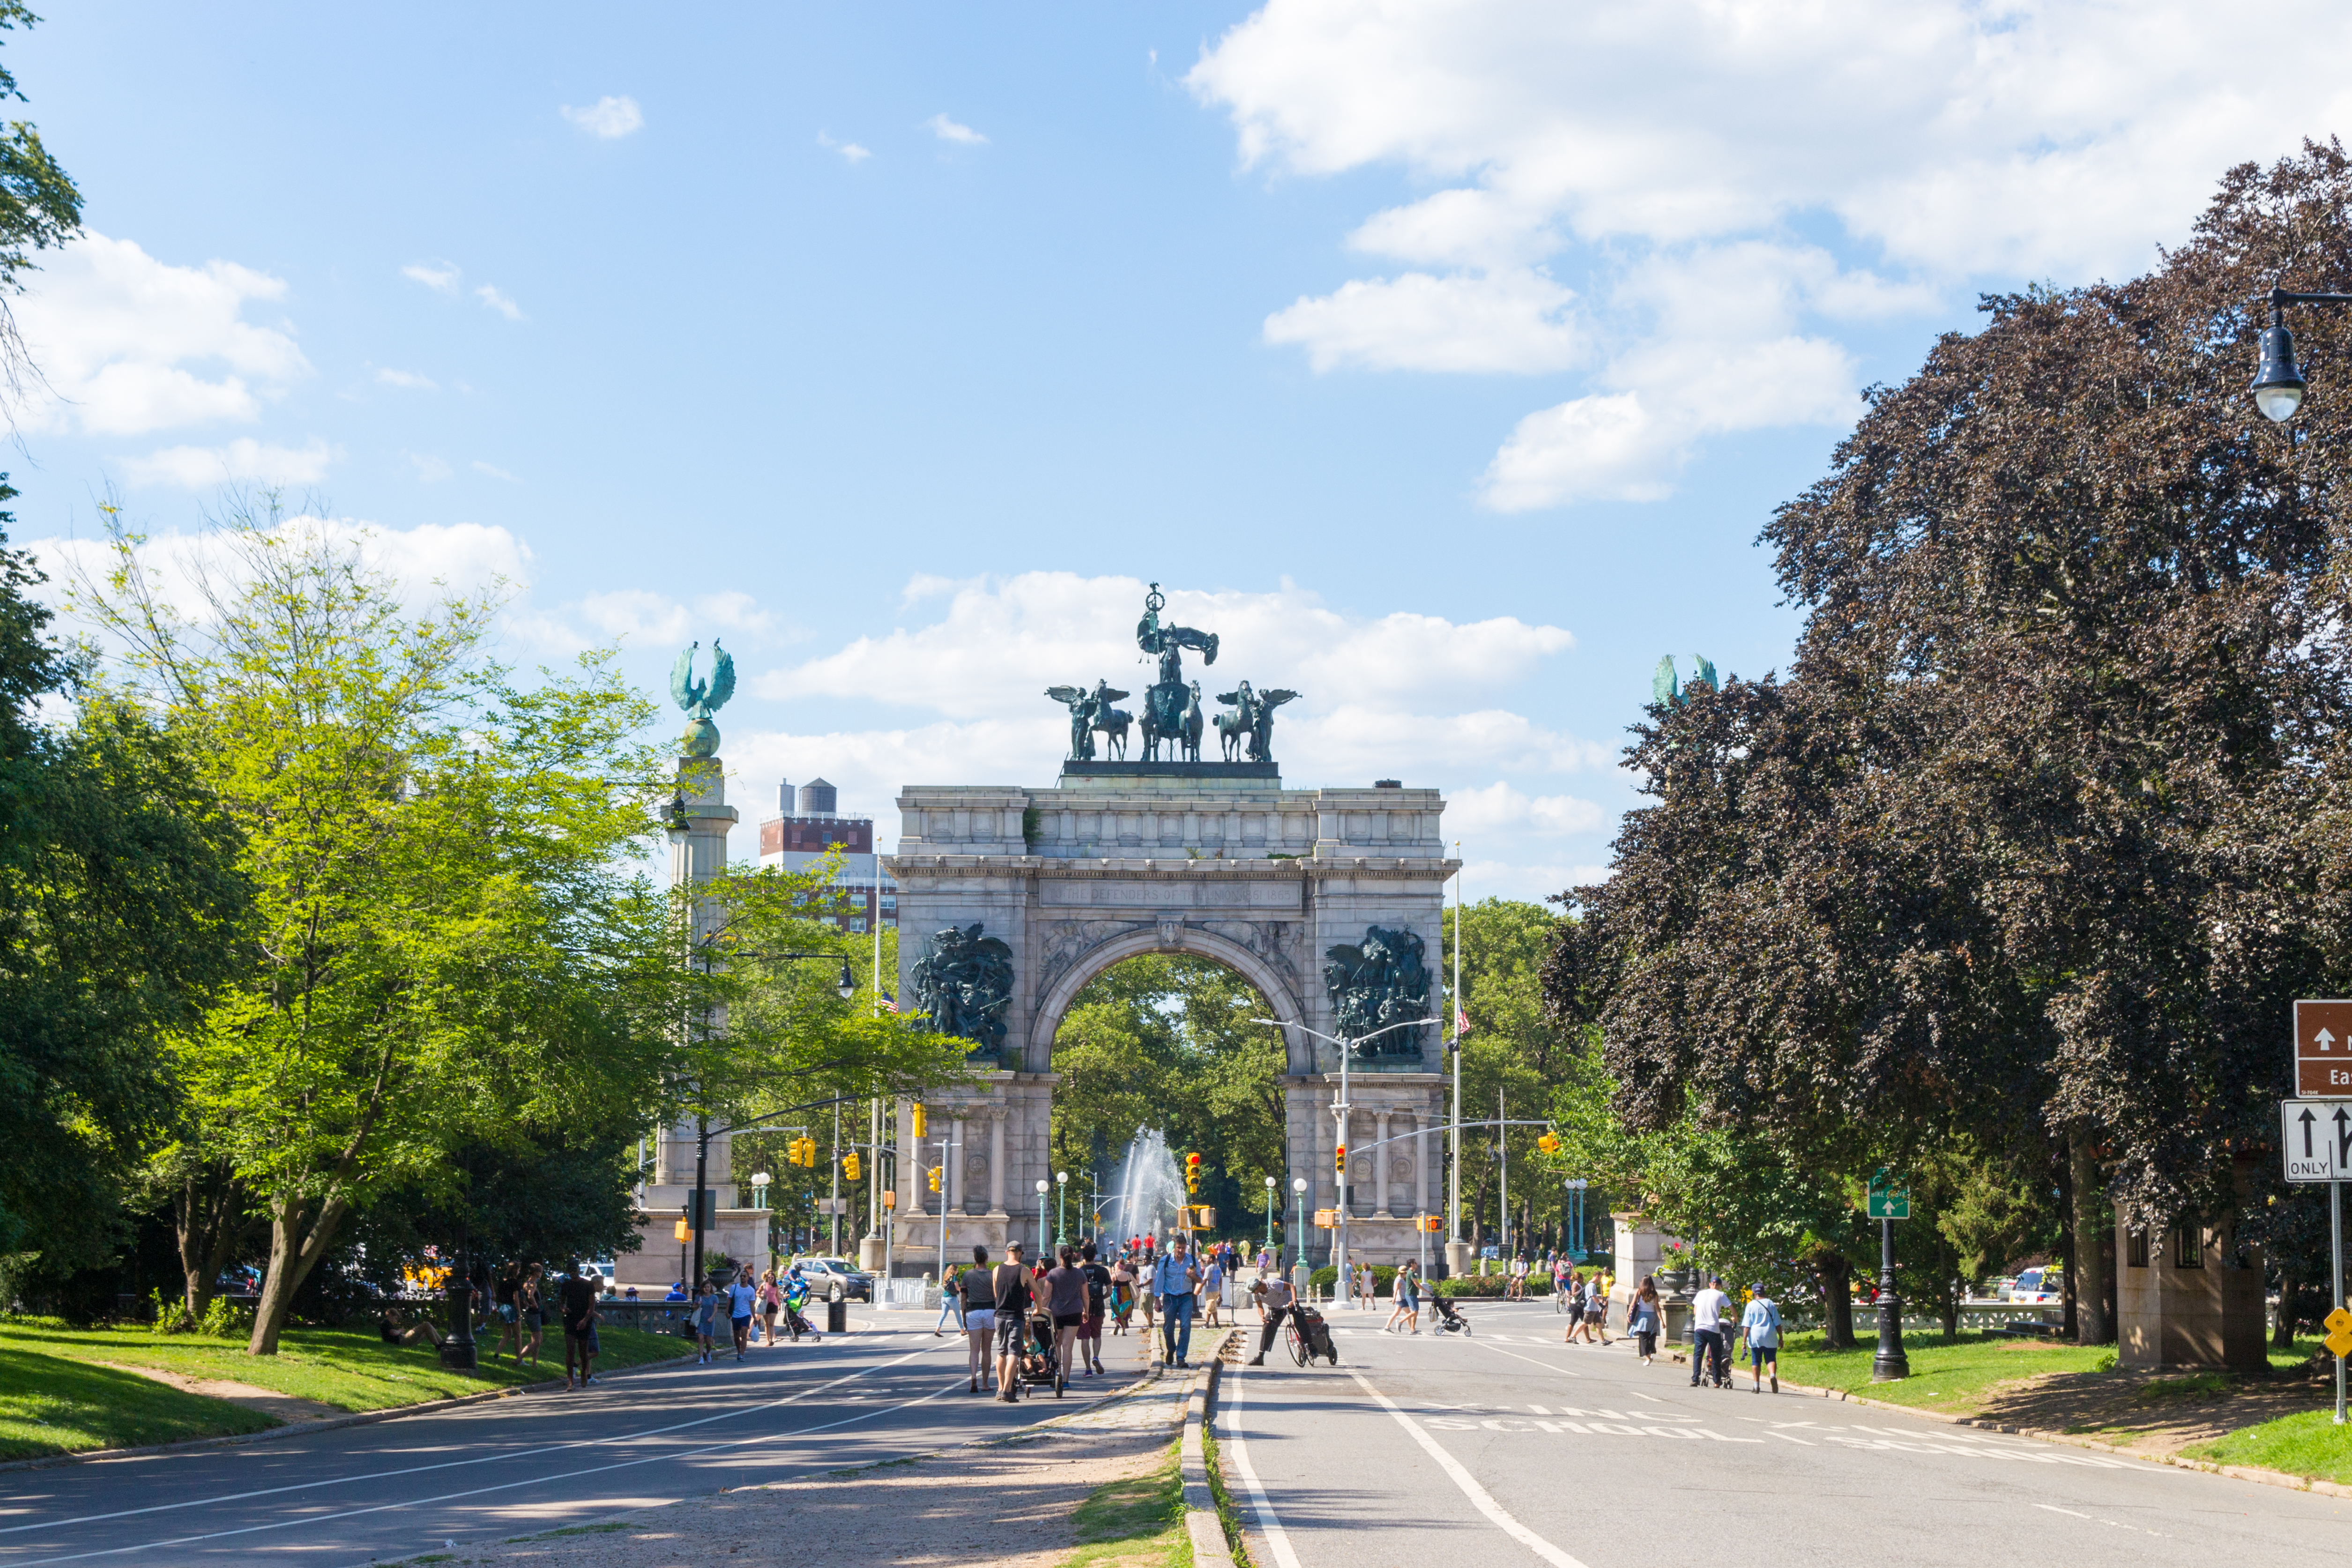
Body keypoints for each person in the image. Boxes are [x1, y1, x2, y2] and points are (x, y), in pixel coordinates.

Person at [992, 1241, 1035, 1402]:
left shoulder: (997, 1269)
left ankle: (999, 1388)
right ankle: (1007, 1390)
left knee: (1001, 1351)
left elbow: (996, 1293)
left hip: (999, 1316)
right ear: (1021, 1253)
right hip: (1016, 1316)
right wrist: (1038, 1307)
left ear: (1006, 1252)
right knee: (1014, 1353)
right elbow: (1036, 1292)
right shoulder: (1024, 1271)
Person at [1152, 1234, 1201, 1367]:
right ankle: (1171, 1349)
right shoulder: (1166, 1260)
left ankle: (1181, 1358)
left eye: (1183, 1248)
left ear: (1186, 1248)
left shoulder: (1192, 1260)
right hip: (1170, 1298)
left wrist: (1194, 1276)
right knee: (1168, 1329)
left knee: (1186, 1327)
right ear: (1174, 1248)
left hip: (1186, 1297)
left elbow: (1200, 1280)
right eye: (1179, 1248)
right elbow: (1159, 1280)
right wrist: (1157, 1300)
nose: (1181, 1251)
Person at [1045, 1244, 1088, 1382]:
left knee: (1057, 1345)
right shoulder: (1080, 1273)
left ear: (1060, 1257)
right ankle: (1066, 1381)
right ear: (1073, 1255)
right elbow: (1085, 1296)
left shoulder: (1053, 1274)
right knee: (1068, 1347)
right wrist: (1086, 1311)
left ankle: (1058, 1374)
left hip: (1056, 1313)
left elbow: (1046, 1295)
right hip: (1075, 1312)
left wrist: (1039, 1310)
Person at [958, 1245, 996, 1394]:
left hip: (973, 1312)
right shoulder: (992, 1275)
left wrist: (964, 1317)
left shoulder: (968, 1275)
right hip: (989, 1312)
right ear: (987, 1259)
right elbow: (996, 1297)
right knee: (987, 1350)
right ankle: (985, 1383)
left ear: (975, 1259)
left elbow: (963, 1298)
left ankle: (973, 1378)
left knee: (974, 1350)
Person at [558, 1263, 602, 1389]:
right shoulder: (566, 1285)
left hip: (584, 1320)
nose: (572, 1273)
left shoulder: (587, 1285)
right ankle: (571, 1381)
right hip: (571, 1320)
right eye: (570, 1271)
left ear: (578, 1270)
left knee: (583, 1352)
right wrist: (563, 1309)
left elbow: (592, 1305)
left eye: (574, 1270)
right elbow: (561, 1302)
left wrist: (585, 1320)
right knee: (570, 1349)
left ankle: (583, 1372)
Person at [1245, 1266, 1297, 1365]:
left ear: (1259, 1287)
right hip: (1276, 1308)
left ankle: (1310, 1346)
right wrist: (1262, 1316)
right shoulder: (1256, 1294)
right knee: (1267, 1326)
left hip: (1289, 1303)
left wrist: (1294, 1301)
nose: (1253, 1293)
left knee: (1300, 1321)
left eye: (1253, 1291)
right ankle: (1261, 1357)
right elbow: (1260, 1307)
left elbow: (1291, 1287)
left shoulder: (1273, 1284)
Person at [1690, 1275, 1732, 1388]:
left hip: (1699, 1328)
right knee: (1716, 1354)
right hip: (1713, 1329)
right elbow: (1732, 1308)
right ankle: (1717, 1381)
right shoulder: (1720, 1295)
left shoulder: (1700, 1294)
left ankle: (1695, 1379)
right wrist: (1735, 1318)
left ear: (1710, 1284)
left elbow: (1695, 1311)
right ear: (1719, 1286)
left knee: (1698, 1354)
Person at [1078, 1241, 1112, 1375]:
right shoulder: (1103, 1271)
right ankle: (1096, 1357)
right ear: (1095, 1256)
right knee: (1097, 1335)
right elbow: (1110, 1291)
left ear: (1083, 1256)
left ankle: (1088, 1369)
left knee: (1085, 1338)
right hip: (1098, 1306)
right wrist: (1102, 1298)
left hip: (1083, 1309)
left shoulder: (1080, 1272)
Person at [1741, 1282, 1781, 1393]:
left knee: (1756, 1360)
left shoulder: (1750, 1305)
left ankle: (1756, 1386)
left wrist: (1744, 1342)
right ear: (1764, 1291)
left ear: (1754, 1293)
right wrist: (1781, 1338)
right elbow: (1778, 1323)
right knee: (1771, 1359)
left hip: (1755, 1335)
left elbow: (1747, 1326)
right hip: (1770, 1334)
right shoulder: (1770, 1304)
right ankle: (1772, 1376)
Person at [518, 1263, 545, 1371]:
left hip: (529, 1312)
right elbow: (530, 1295)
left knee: (538, 1338)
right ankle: (519, 1359)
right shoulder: (533, 1283)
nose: (541, 1274)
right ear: (535, 1272)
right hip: (534, 1313)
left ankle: (534, 1363)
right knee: (537, 1341)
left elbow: (524, 1297)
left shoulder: (526, 1283)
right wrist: (536, 1305)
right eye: (540, 1272)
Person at [728, 1265, 759, 1362]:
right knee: (737, 1336)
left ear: (748, 1278)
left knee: (744, 1333)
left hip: (746, 1315)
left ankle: (742, 1354)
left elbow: (752, 1305)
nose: (742, 1278)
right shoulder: (735, 1287)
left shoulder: (751, 1290)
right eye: (741, 1276)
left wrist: (754, 1317)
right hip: (736, 1314)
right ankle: (738, 1350)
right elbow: (729, 1300)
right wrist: (727, 1311)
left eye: (744, 1276)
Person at [1629, 1276, 1661, 1365]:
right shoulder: (1654, 1294)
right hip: (1652, 1317)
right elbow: (1657, 1308)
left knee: (1643, 1337)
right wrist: (1661, 1320)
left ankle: (1648, 1357)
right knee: (1651, 1336)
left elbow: (1633, 1303)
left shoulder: (1639, 1292)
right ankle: (1649, 1355)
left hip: (1642, 1317)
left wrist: (1629, 1315)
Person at [691, 1278, 722, 1364]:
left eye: (708, 1287)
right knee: (700, 1339)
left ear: (710, 1288)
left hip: (710, 1321)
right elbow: (693, 1308)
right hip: (701, 1321)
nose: (707, 1289)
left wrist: (712, 1317)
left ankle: (708, 1353)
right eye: (705, 1287)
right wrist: (698, 1305)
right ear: (703, 1288)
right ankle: (701, 1358)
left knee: (709, 1341)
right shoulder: (699, 1297)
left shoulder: (714, 1298)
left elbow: (715, 1310)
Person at [1385, 1260, 1420, 1334]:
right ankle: (1411, 1329)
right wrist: (1394, 1298)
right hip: (1401, 1299)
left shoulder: (1400, 1279)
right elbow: (1396, 1290)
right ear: (1403, 1273)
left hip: (1401, 1299)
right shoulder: (1399, 1280)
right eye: (1405, 1273)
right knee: (1409, 1314)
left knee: (1397, 1313)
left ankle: (1387, 1327)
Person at [1108, 1254, 1136, 1336]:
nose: (1114, 1267)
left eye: (1115, 1266)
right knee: (1125, 1312)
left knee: (1115, 1310)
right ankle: (1124, 1331)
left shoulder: (1115, 1275)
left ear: (1118, 1266)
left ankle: (1117, 1325)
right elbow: (1135, 1282)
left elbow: (1110, 1285)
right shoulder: (1128, 1274)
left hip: (1117, 1294)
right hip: (1127, 1295)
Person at [1584, 1270, 1612, 1345]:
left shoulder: (1590, 1285)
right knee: (1585, 1323)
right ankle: (1573, 1337)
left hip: (1594, 1309)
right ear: (1597, 1277)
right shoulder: (1592, 1285)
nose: (1600, 1280)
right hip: (1590, 1308)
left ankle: (1603, 1341)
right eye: (1600, 1278)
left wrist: (1599, 1301)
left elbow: (1594, 1297)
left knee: (1598, 1324)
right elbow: (1593, 1297)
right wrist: (1602, 1306)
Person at [1201, 1251, 1224, 1328]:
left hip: (1210, 1290)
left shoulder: (1209, 1269)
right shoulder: (1219, 1268)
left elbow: (1205, 1280)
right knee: (1212, 1307)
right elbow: (1221, 1280)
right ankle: (1216, 1325)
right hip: (1217, 1289)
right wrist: (1220, 1291)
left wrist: (1199, 1289)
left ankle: (1207, 1324)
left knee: (1210, 1307)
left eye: (1207, 1258)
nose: (1206, 1260)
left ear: (1211, 1259)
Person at [759, 1269, 782, 1346]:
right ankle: (768, 1341)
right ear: (767, 1278)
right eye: (769, 1278)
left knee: (772, 1324)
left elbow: (777, 1296)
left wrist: (779, 1305)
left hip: (774, 1305)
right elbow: (758, 1293)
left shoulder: (776, 1286)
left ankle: (772, 1340)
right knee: (767, 1324)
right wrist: (761, 1296)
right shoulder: (764, 1285)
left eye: (772, 1278)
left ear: (774, 1278)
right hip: (766, 1305)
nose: (771, 1279)